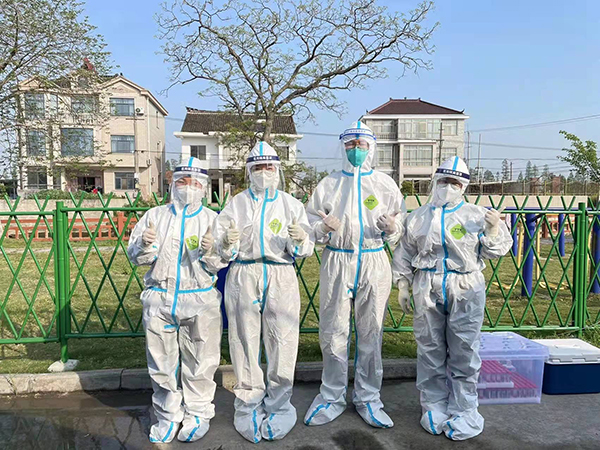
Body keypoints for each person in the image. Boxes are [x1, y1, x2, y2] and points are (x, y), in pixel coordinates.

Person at [392, 156, 512, 441]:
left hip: (465, 285)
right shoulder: (418, 217)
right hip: (427, 284)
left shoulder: (476, 215)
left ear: (464, 187)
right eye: (444, 181)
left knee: (464, 350)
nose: (448, 187)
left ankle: (464, 408)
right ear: (435, 181)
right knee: (429, 349)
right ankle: (433, 405)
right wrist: (402, 284)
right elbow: (405, 251)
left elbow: (496, 251)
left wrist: (493, 229)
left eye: (455, 183)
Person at [304, 121, 405, 429]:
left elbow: (400, 222)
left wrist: (393, 228)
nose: (356, 150)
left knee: (371, 330)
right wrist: (322, 228)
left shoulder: (385, 184)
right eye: (350, 144)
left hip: (374, 260)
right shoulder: (329, 184)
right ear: (342, 147)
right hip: (338, 259)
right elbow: (309, 224)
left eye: (362, 145)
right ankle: (331, 395)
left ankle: (368, 397)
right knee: (333, 330)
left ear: (371, 148)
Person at [213, 141, 314, 443]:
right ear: (249, 171)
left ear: (277, 169)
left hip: (280, 273)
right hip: (243, 273)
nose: (264, 172)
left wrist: (299, 240)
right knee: (243, 339)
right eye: (258, 167)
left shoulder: (291, 204)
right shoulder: (237, 204)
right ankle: (248, 405)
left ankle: (280, 406)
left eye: (269, 166)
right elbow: (221, 245)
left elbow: (304, 248)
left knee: (283, 340)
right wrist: (227, 243)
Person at [127, 157, 227, 444]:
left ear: (204, 187)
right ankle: (168, 414)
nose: (188, 187)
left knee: (201, 359)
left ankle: (198, 413)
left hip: (199, 297)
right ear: (173, 184)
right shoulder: (155, 216)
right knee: (161, 361)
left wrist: (213, 250)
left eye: (195, 182)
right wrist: (144, 244)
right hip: (160, 297)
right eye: (182, 181)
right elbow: (136, 257)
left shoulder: (212, 219)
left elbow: (220, 262)